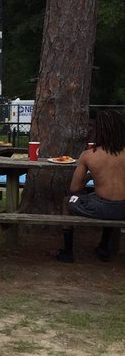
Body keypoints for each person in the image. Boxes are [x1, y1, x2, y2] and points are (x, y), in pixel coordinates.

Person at [56, 108, 125, 263]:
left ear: (99, 131)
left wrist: (91, 175)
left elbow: (75, 188)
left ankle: (68, 251)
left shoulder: (89, 155)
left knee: (68, 201)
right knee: (109, 200)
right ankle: (104, 246)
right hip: (123, 208)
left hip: (101, 207)